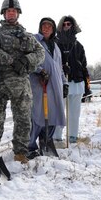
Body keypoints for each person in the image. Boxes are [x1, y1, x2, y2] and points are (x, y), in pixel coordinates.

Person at [0, 0, 45, 172]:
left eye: (14, 11)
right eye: (8, 11)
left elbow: (40, 53)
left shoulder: (27, 36)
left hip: (21, 83)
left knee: (24, 119)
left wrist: (26, 60)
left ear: (18, 13)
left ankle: (21, 154)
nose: (11, 13)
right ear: (3, 13)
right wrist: (11, 60)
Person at [28, 17, 67, 158]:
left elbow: (59, 68)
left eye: (49, 26)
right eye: (43, 25)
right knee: (37, 115)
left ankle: (46, 141)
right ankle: (30, 146)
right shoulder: (34, 40)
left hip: (55, 85)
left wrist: (65, 82)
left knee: (52, 115)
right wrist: (39, 71)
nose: (46, 28)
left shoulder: (56, 47)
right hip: (39, 84)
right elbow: (28, 59)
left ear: (53, 29)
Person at [52, 15, 89, 144]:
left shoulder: (78, 45)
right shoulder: (55, 44)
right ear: (61, 26)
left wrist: (87, 86)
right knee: (59, 111)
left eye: (69, 24)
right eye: (65, 24)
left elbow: (84, 66)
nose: (67, 26)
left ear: (73, 26)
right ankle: (56, 136)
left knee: (74, 112)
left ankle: (72, 136)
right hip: (61, 83)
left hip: (77, 82)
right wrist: (62, 68)